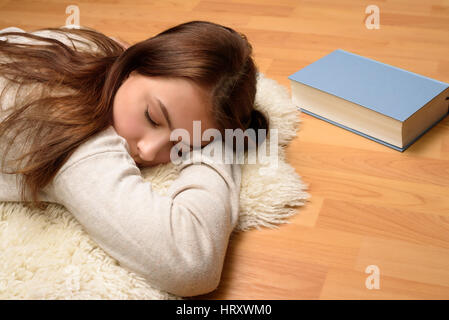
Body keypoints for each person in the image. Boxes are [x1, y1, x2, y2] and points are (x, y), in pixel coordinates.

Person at [0, 21, 269, 297]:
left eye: (182, 146)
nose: (149, 151)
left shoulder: (94, 49)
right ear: (134, 64)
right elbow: (190, 263)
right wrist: (221, 147)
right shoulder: (65, 133)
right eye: (152, 117)